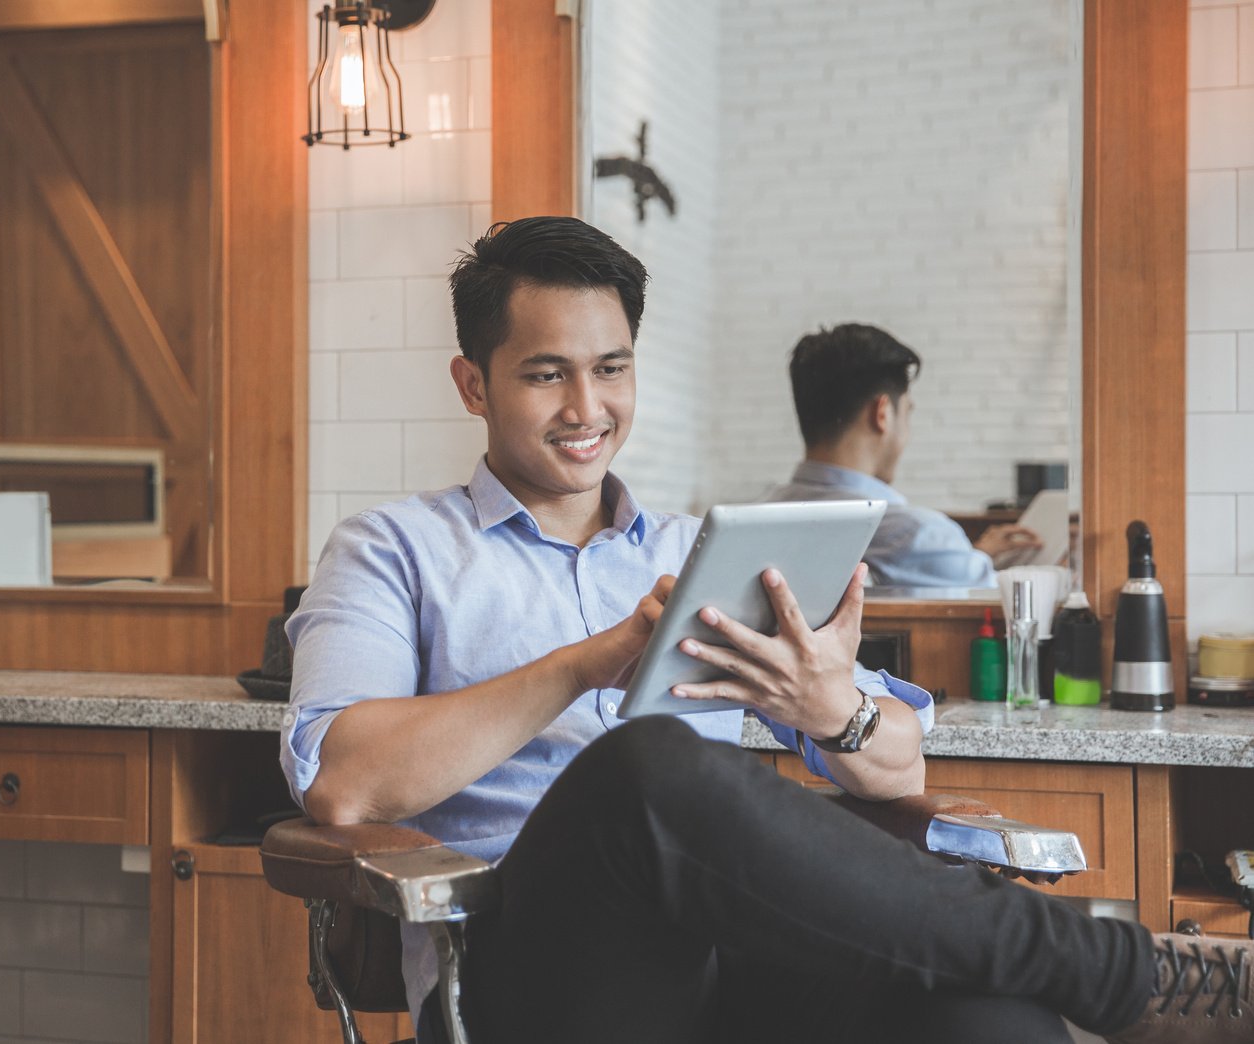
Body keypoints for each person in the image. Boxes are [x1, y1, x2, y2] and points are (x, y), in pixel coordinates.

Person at [280, 217, 1249, 1043]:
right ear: (472, 383)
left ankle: (1106, 977)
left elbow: (899, 772)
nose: (587, 409)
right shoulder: (390, 549)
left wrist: (834, 710)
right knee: (648, 767)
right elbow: (344, 782)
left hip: (723, 960)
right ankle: (1125, 971)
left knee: (987, 1015)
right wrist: (585, 665)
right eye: (546, 374)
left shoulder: (704, 552)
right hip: (523, 969)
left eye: (610, 368)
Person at [763, 323, 1041, 588]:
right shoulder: (916, 534)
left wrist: (974, 555)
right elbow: (1008, 600)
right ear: (881, 414)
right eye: (907, 412)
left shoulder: (764, 514)